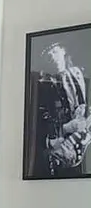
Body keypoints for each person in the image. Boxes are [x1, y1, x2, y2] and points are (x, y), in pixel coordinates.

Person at [36, 42, 91, 175]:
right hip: (59, 147)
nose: (52, 57)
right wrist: (65, 128)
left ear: (63, 51)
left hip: (83, 141)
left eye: (54, 52)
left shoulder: (80, 75)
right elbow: (40, 122)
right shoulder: (44, 85)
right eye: (48, 55)